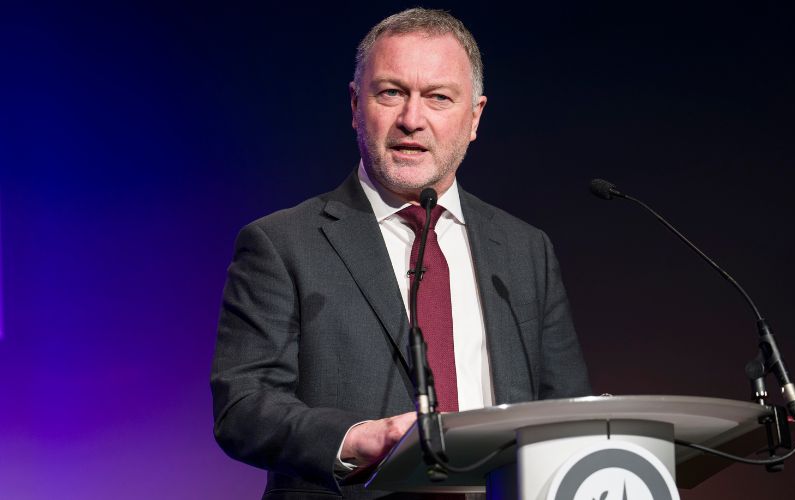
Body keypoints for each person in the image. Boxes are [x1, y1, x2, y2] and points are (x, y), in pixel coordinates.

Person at [211, 8, 591, 499]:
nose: (412, 119)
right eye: (391, 93)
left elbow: (570, 411)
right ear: (354, 105)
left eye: (438, 97)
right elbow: (242, 405)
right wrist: (354, 440)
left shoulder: (525, 250)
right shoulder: (283, 244)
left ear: (474, 117)